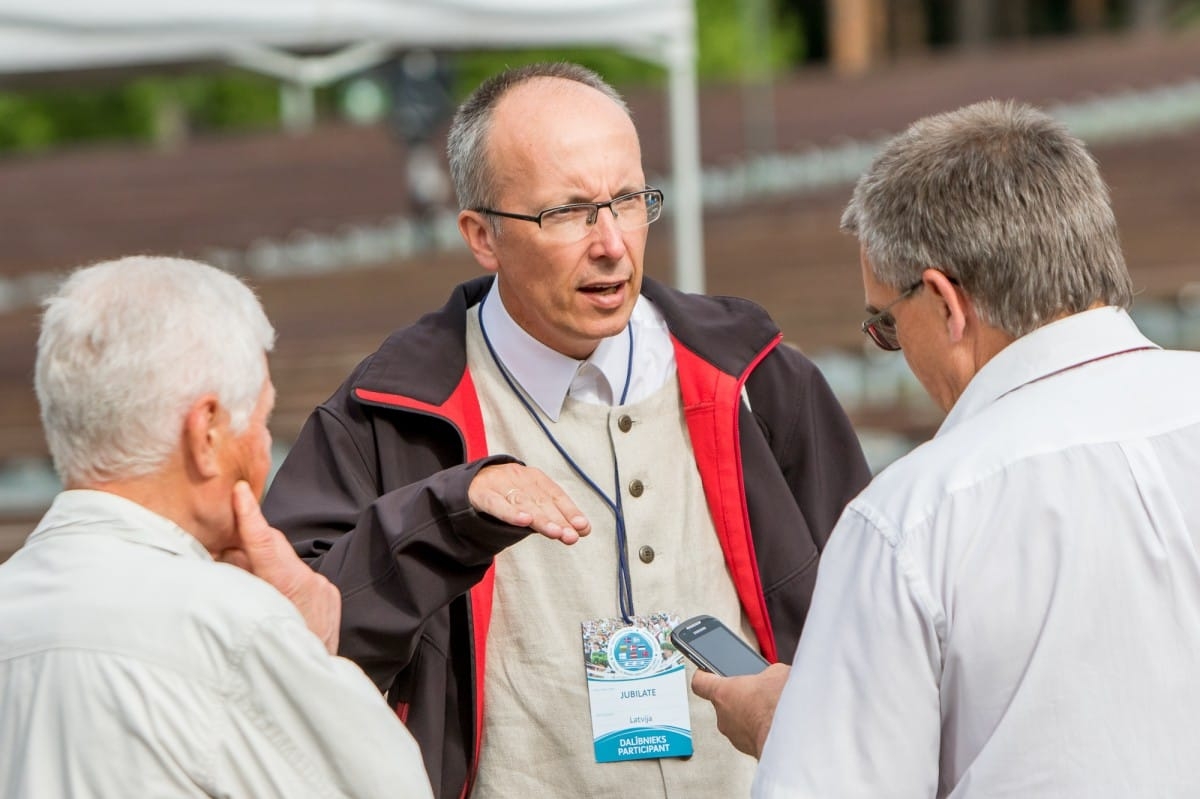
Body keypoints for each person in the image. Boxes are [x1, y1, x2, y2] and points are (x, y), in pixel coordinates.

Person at [262, 61, 871, 798]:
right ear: (481, 235)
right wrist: (445, 513)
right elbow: (293, 648)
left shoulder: (758, 377)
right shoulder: (384, 416)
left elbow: (871, 620)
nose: (612, 242)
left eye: (628, 200)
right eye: (569, 212)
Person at [692, 99, 1200, 797]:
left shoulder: (912, 519)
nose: (893, 350)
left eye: (886, 325)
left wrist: (792, 726)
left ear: (945, 302)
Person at [0, 256, 434, 799]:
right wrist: (317, 650)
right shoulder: (235, 628)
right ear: (206, 433)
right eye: (260, 422)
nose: (261, 452)